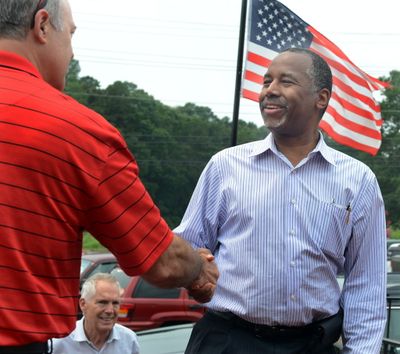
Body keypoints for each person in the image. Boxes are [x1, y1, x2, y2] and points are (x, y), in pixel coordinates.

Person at [0, 0, 218, 353]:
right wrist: (198, 271)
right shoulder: (75, 131)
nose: (71, 52)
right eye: (70, 34)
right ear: (41, 26)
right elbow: (161, 262)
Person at [174, 48, 387, 354]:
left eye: (285, 82)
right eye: (266, 81)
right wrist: (197, 270)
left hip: (312, 343)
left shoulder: (357, 180)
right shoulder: (225, 166)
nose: (270, 90)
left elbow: (367, 283)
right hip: (228, 340)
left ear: (321, 98)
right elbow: (188, 248)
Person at [52, 273, 139, 354]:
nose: (110, 310)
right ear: (83, 304)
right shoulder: (60, 342)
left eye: (115, 303)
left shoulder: (129, 340)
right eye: (103, 302)